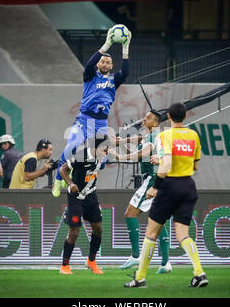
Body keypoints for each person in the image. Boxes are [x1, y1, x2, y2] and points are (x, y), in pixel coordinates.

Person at [124, 102, 208, 288]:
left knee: (151, 233)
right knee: (183, 234)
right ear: (185, 117)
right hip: (188, 186)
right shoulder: (194, 135)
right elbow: (195, 165)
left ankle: (140, 278)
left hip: (169, 185)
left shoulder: (164, 136)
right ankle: (199, 273)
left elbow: (166, 165)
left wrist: (155, 187)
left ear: (168, 117)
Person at [52, 26, 131, 197]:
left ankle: (76, 174)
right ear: (98, 64)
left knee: (100, 162)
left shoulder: (113, 80)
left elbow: (125, 72)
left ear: (111, 66)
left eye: (108, 62)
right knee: (71, 147)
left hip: (101, 124)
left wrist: (125, 48)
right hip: (84, 120)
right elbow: (89, 63)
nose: (105, 63)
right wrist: (107, 44)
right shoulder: (90, 76)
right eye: (102, 61)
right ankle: (58, 179)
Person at [109, 111, 171, 274]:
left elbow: (142, 153)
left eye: (149, 118)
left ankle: (136, 255)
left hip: (152, 180)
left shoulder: (152, 138)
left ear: (156, 123)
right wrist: (122, 140)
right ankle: (165, 263)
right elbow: (140, 139)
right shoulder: (155, 135)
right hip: (162, 180)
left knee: (130, 213)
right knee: (158, 221)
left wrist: (120, 157)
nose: (145, 119)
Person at [58, 136, 110, 275]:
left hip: (91, 195)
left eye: (107, 149)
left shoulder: (102, 156)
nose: (106, 152)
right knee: (74, 232)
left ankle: (91, 261)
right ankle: (65, 266)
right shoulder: (81, 156)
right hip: (76, 196)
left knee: (98, 229)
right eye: (104, 149)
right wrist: (71, 184)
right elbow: (62, 170)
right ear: (96, 148)